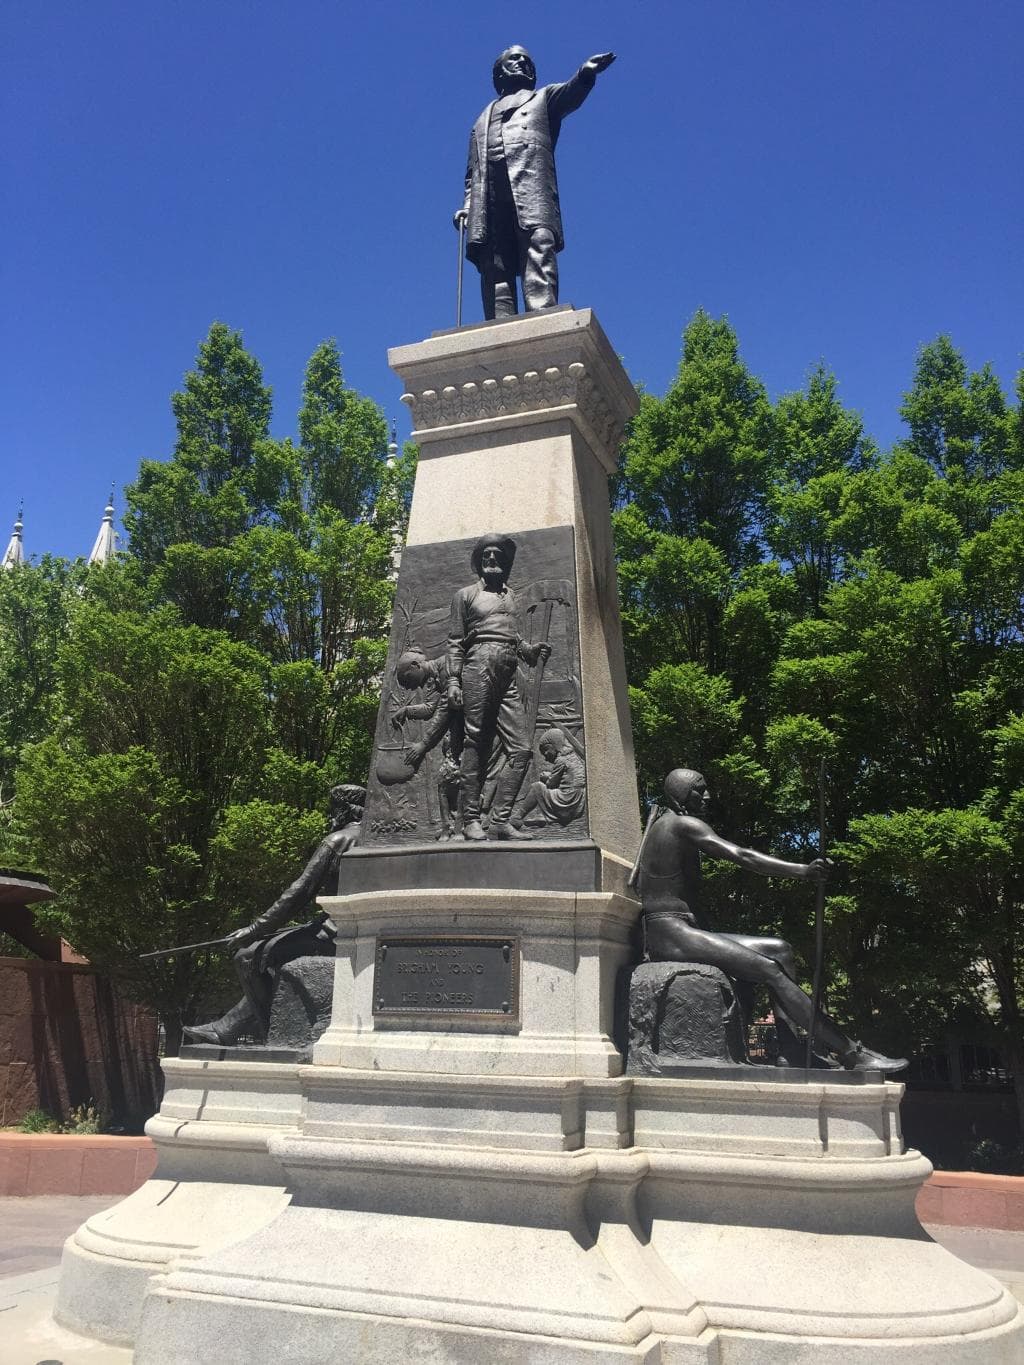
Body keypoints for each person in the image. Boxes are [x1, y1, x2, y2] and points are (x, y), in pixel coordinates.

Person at [635, 767, 907, 1073]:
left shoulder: (668, 824)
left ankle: (791, 1049)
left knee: (780, 949)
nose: (708, 796)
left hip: (683, 928)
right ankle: (850, 1051)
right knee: (769, 969)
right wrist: (802, 871)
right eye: (700, 789)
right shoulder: (682, 824)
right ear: (681, 794)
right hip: (669, 932)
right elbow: (742, 855)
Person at [183, 784, 365, 1046]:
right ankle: (226, 1028)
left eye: (333, 810)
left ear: (346, 810)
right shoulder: (373, 840)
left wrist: (254, 929)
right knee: (270, 954)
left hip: (335, 932)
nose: (329, 817)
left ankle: (276, 1035)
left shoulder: (338, 840)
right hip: (354, 930)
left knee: (247, 956)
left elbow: (299, 891)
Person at [454, 46, 616, 319]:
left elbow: (570, 93)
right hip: (489, 197)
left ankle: (542, 315)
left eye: (526, 60)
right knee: (495, 261)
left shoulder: (543, 98)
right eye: (514, 58)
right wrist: (468, 207)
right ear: (499, 71)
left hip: (530, 188)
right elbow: (472, 173)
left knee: (538, 244)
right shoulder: (481, 120)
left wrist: (585, 74)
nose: (521, 62)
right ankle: (499, 320)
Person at [446, 534, 550, 841]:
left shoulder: (511, 597)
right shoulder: (464, 595)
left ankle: (500, 820)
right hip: (478, 664)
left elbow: (512, 636)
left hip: (507, 670)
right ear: (479, 561)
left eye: (497, 556)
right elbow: (454, 642)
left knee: (522, 748)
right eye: (486, 555)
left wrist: (529, 650)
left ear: (504, 563)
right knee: (475, 740)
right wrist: (453, 679)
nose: (492, 559)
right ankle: (470, 820)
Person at [513, 726, 586, 828]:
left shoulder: (561, 760)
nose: (546, 755)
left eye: (546, 750)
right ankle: (542, 816)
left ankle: (518, 817)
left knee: (537, 787)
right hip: (577, 800)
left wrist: (546, 777)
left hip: (567, 800)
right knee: (546, 791)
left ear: (555, 745)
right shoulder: (573, 757)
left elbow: (551, 784)